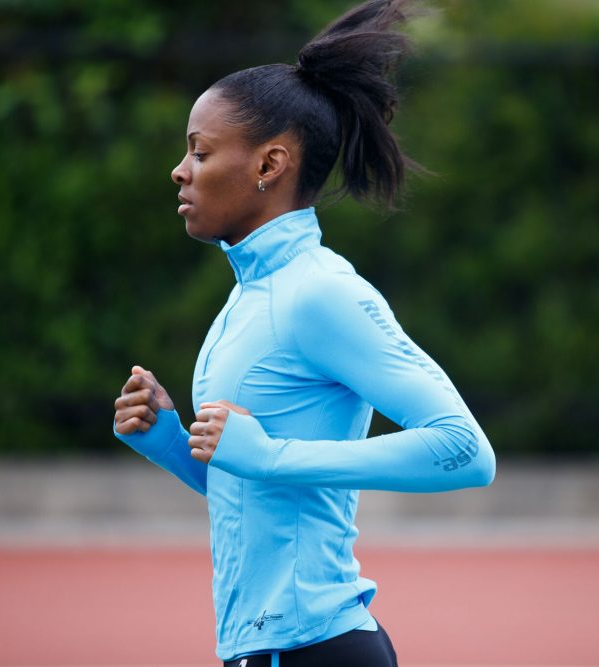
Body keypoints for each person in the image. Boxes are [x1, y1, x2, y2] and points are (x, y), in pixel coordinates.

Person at [111, 1, 495, 665]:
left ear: (269, 165)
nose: (180, 169)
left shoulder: (321, 291)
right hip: (264, 652)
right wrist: (170, 443)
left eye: (200, 151)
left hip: (319, 648)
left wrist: (271, 455)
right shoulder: (246, 299)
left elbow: (465, 450)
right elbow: (258, 488)